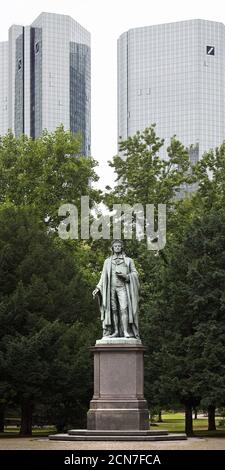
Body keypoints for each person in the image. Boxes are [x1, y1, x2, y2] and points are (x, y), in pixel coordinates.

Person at [92, 240, 140, 338]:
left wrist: (126, 276)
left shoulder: (128, 260)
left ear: (122, 247)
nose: (117, 247)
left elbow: (135, 273)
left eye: (119, 246)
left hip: (123, 287)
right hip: (111, 289)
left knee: (124, 308)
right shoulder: (107, 261)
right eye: (115, 246)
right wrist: (98, 287)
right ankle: (116, 331)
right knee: (113, 310)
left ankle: (126, 331)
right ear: (112, 248)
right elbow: (103, 276)